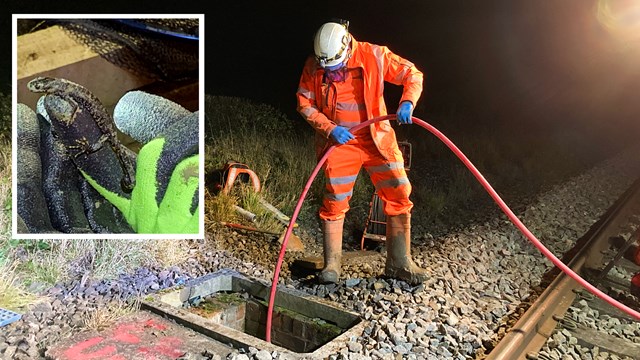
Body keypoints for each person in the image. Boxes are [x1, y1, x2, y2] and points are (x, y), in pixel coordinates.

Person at [296, 20, 429, 285]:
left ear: (346, 48)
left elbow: (413, 75)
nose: (331, 74)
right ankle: (331, 266)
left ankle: (399, 263)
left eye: (336, 68)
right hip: (340, 144)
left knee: (399, 193)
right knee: (335, 200)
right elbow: (304, 102)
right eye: (327, 70)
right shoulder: (315, 64)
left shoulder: (374, 56)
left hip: (377, 139)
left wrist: (407, 102)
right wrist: (330, 129)